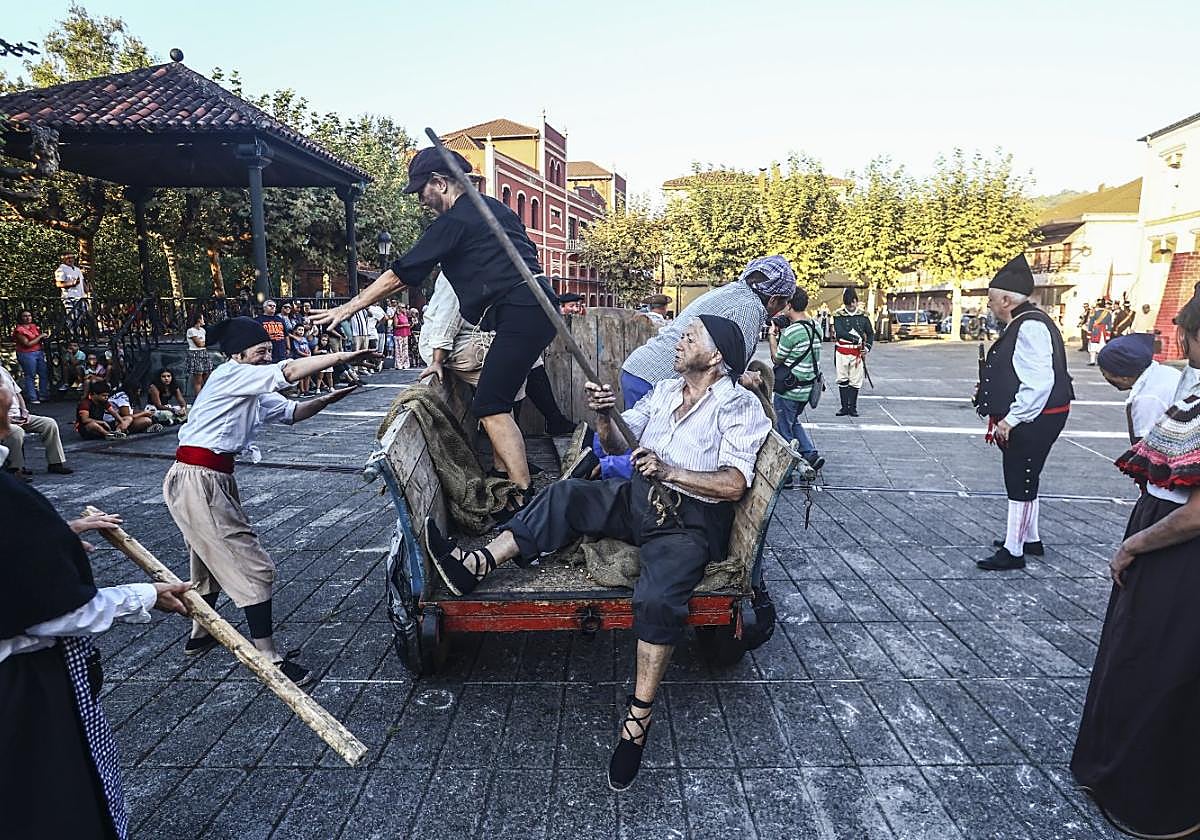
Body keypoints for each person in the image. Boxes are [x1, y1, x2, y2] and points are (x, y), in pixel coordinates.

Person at [421, 315, 771, 791]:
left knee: (657, 599)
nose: (679, 340)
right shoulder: (666, 391)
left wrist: (670, 472)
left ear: (715, 357)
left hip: (688, 520)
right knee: (566, 495)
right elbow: (614, 443)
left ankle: (638, 720)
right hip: (641, 498)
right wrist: (605, 416)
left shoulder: (737, 405)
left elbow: (733, 484)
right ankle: (476, 564)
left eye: (691, 336)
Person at [308, 147, 559, 507]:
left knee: (490, 404)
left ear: (440, 183)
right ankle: (511, 481)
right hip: (536, 307)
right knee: (496, 399)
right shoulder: (495, 208)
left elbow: (399, 274)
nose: (420, 201)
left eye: (421, 191)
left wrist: (348, 308)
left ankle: (523, 498)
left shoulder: (455, 221)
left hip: (522, 311)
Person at [0, 386, 191, 840]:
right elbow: (57, 610)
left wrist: (59, 533)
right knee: (49, 802)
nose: (13, 408)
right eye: (8, 406)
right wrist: (144, 595)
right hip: (22, 686)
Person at [163, 316, 376, 686]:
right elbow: (289, 370)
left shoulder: (250, 385)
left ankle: (201, 634)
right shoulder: (231, 374)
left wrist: (330, 397)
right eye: (260, 352)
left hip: (210, 478)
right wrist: (342, 356)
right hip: (199, 478)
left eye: (268, 351)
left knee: (208, 561)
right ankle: (268, 657)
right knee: (253, 567)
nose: (266, 357)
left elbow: (292, 413)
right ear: (238, 353)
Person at [1071, 292, 1200, 838]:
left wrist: (1134, 545)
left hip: (1180, 553)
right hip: (1167, 537)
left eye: (1187, 330)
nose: (1180, 339)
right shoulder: (1188, 384)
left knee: (1158, 666)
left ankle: (1157, 797)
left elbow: (1196, 513)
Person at [974, 254, 1074, 571]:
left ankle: (1014, 550)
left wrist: (1011, 419)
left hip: (1037, 416)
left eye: (991, 299)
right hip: (1045, 413)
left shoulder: (1029, 326)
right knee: (1028, 476)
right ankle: (1029, 538)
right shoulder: (1028, 321)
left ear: (1006, 299)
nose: (989, 305)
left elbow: (1039, 382)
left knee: (1020, 478)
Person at [768, 288, 824, 474]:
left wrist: (772, 336)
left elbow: (777, 358)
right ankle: (810, 454)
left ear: (789, 305)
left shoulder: (792, 332)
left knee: (783, 428)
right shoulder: (816, 326)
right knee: (792, 421)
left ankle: (786, 472)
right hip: (807, 389)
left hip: (789, 390)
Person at [1097, 333, 1181, 444]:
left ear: (1124, 378)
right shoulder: (1166, 372)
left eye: (1104, 373)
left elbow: (1146, 448)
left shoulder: (1146, 399)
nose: (1105, 378)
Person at [0, 362, 72, 477]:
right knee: (16, 432)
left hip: (18, 415)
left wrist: (24, 411)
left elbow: (18, 394)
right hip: (3, 419)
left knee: (49, 423)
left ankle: (55, 463)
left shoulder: (3, 371)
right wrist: (8, 419)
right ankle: (17, 469)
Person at [832, 287, 874, 417]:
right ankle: (844, 407)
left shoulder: (863, 316)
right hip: (842, 351)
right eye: (848, 304)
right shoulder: (838, 315)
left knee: (855, 380)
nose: (851, 306)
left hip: (857, 352)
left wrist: (867, 348)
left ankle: (853, 407)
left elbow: (870, 333)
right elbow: (840, 332)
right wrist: (856, 339)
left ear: (856, 301)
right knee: (842, 378)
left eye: (852, 303)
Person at [12, 309, 51, 404]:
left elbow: (38, 339)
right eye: (25, 316)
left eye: (29, 315)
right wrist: (40, 336)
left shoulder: (33, 326)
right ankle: (33, 397)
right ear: (21, 318)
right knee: (30, 375)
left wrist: (44, 337)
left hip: (38, 352)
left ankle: (43, 395)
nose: (28, 318)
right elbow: (27, 344)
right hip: (27, 354)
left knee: (43, 373)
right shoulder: (19, 330)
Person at [54, 252, 87, 325]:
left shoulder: (77, 269)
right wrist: (72, 283)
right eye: (68, 258)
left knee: (81, 318)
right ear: (63, 259)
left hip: (81, 297)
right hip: (70, 298)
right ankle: (72, 332)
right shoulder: (61, 269)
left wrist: (87, 291)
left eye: (72, 258)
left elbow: (82, 281)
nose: (71, 260)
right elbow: (58, 284)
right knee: (72, 318)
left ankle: (80, 332)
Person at [186, 311, 212, 395]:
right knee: (198, 380)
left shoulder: (203, 330)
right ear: (198, 320)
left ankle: (207, 397)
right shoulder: (191, 331)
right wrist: (204, 343)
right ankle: (198, 399)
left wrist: (204, 343)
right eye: (202, 318)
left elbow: (204, 343)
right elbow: (199, 344)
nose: (204, 320)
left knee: (207, 377)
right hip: (195, 354)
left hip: (204, 353)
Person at [1087, 297, 1113, 366]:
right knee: (1101, 347)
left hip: (1095, 330)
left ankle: (1092, 361)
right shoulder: (1108, 313)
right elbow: (1109, 324)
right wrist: (1108, 334)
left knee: (1093, 346)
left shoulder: (1094, 312)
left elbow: (1091, 323)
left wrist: (1089, 332)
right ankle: (1100, 361)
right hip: (1103, 332)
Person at [392, 304, 412, 369]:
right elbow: (395, 325)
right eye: (402, 307)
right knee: (399, 350)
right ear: (399, 308)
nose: (404, 308)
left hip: (405, 333)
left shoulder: (405, 315)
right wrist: (405, 325)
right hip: (399, 334)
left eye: (404, 307)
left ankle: (405, 364)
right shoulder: (396, 315)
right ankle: (399, 364)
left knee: (405, 350)